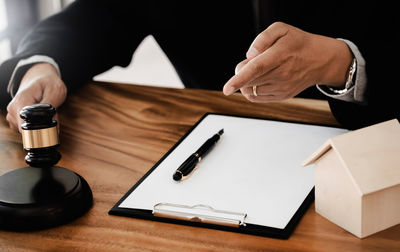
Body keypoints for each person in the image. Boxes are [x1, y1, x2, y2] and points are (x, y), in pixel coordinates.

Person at [0, 1, 398, 131]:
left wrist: (342, 63)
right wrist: (40, 66)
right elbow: (97, 15)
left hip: (372, 144)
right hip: (217, 143)